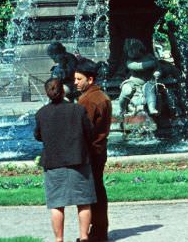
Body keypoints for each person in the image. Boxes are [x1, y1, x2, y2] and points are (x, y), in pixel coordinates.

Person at [34, 77, 96, 242]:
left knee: (56, 204)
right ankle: (84, 237)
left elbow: (38, 136)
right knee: (83, 202)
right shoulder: (78, 110)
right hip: (78, 160)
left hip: (53, 162)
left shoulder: (41, 113)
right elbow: (90, 133)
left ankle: (59, 239)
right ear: (63, 91)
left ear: (46, 93)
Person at [75, 58, 112, 242]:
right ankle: (99, 229)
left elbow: (83, 129)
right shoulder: (102, 96)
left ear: (90, 80)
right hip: (100, 149)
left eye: (79, 79)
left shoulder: (89, 101)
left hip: (91, 152)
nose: (75, 82)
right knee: (98, 189)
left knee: (92, 192)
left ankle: (97, 232)